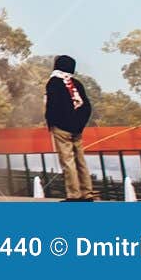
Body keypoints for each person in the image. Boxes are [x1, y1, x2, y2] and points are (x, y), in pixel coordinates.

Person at [45, 54, 94, 202]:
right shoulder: (76, 83)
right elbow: (87, 107)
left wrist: (52, 122)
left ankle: (74, 194)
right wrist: (80, 124)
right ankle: (87, 193)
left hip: (61, 128)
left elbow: (52, 105)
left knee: (68, 161)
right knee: (80, 160)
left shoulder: (53, 82)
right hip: (77, 129)